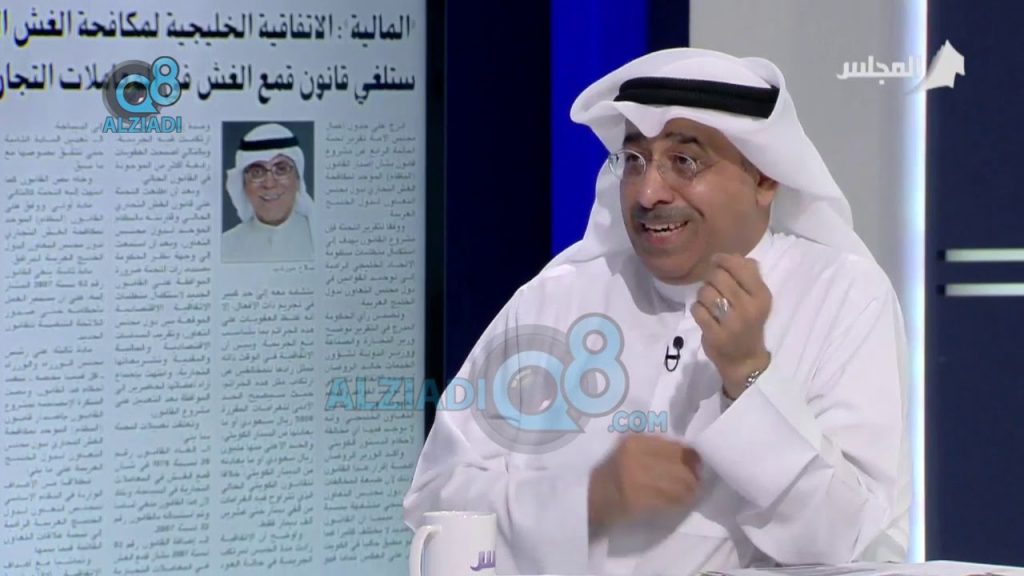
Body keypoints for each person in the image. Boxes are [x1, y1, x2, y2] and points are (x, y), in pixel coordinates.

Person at [404, 48, 911, 575]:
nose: (648, 193)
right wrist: (585, 499)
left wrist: (747, 376)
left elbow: (857, 543)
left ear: (764, 177)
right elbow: (438, 505)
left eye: (685, 162)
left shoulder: (842, 295)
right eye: (634, 161)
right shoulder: (556, 299)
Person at [222, 122, 314, 262]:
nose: (269, 184)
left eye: (281, 169)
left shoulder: (320, 238)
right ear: (243, 184)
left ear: (297, 179)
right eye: (257, 172)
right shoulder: (224, 247)